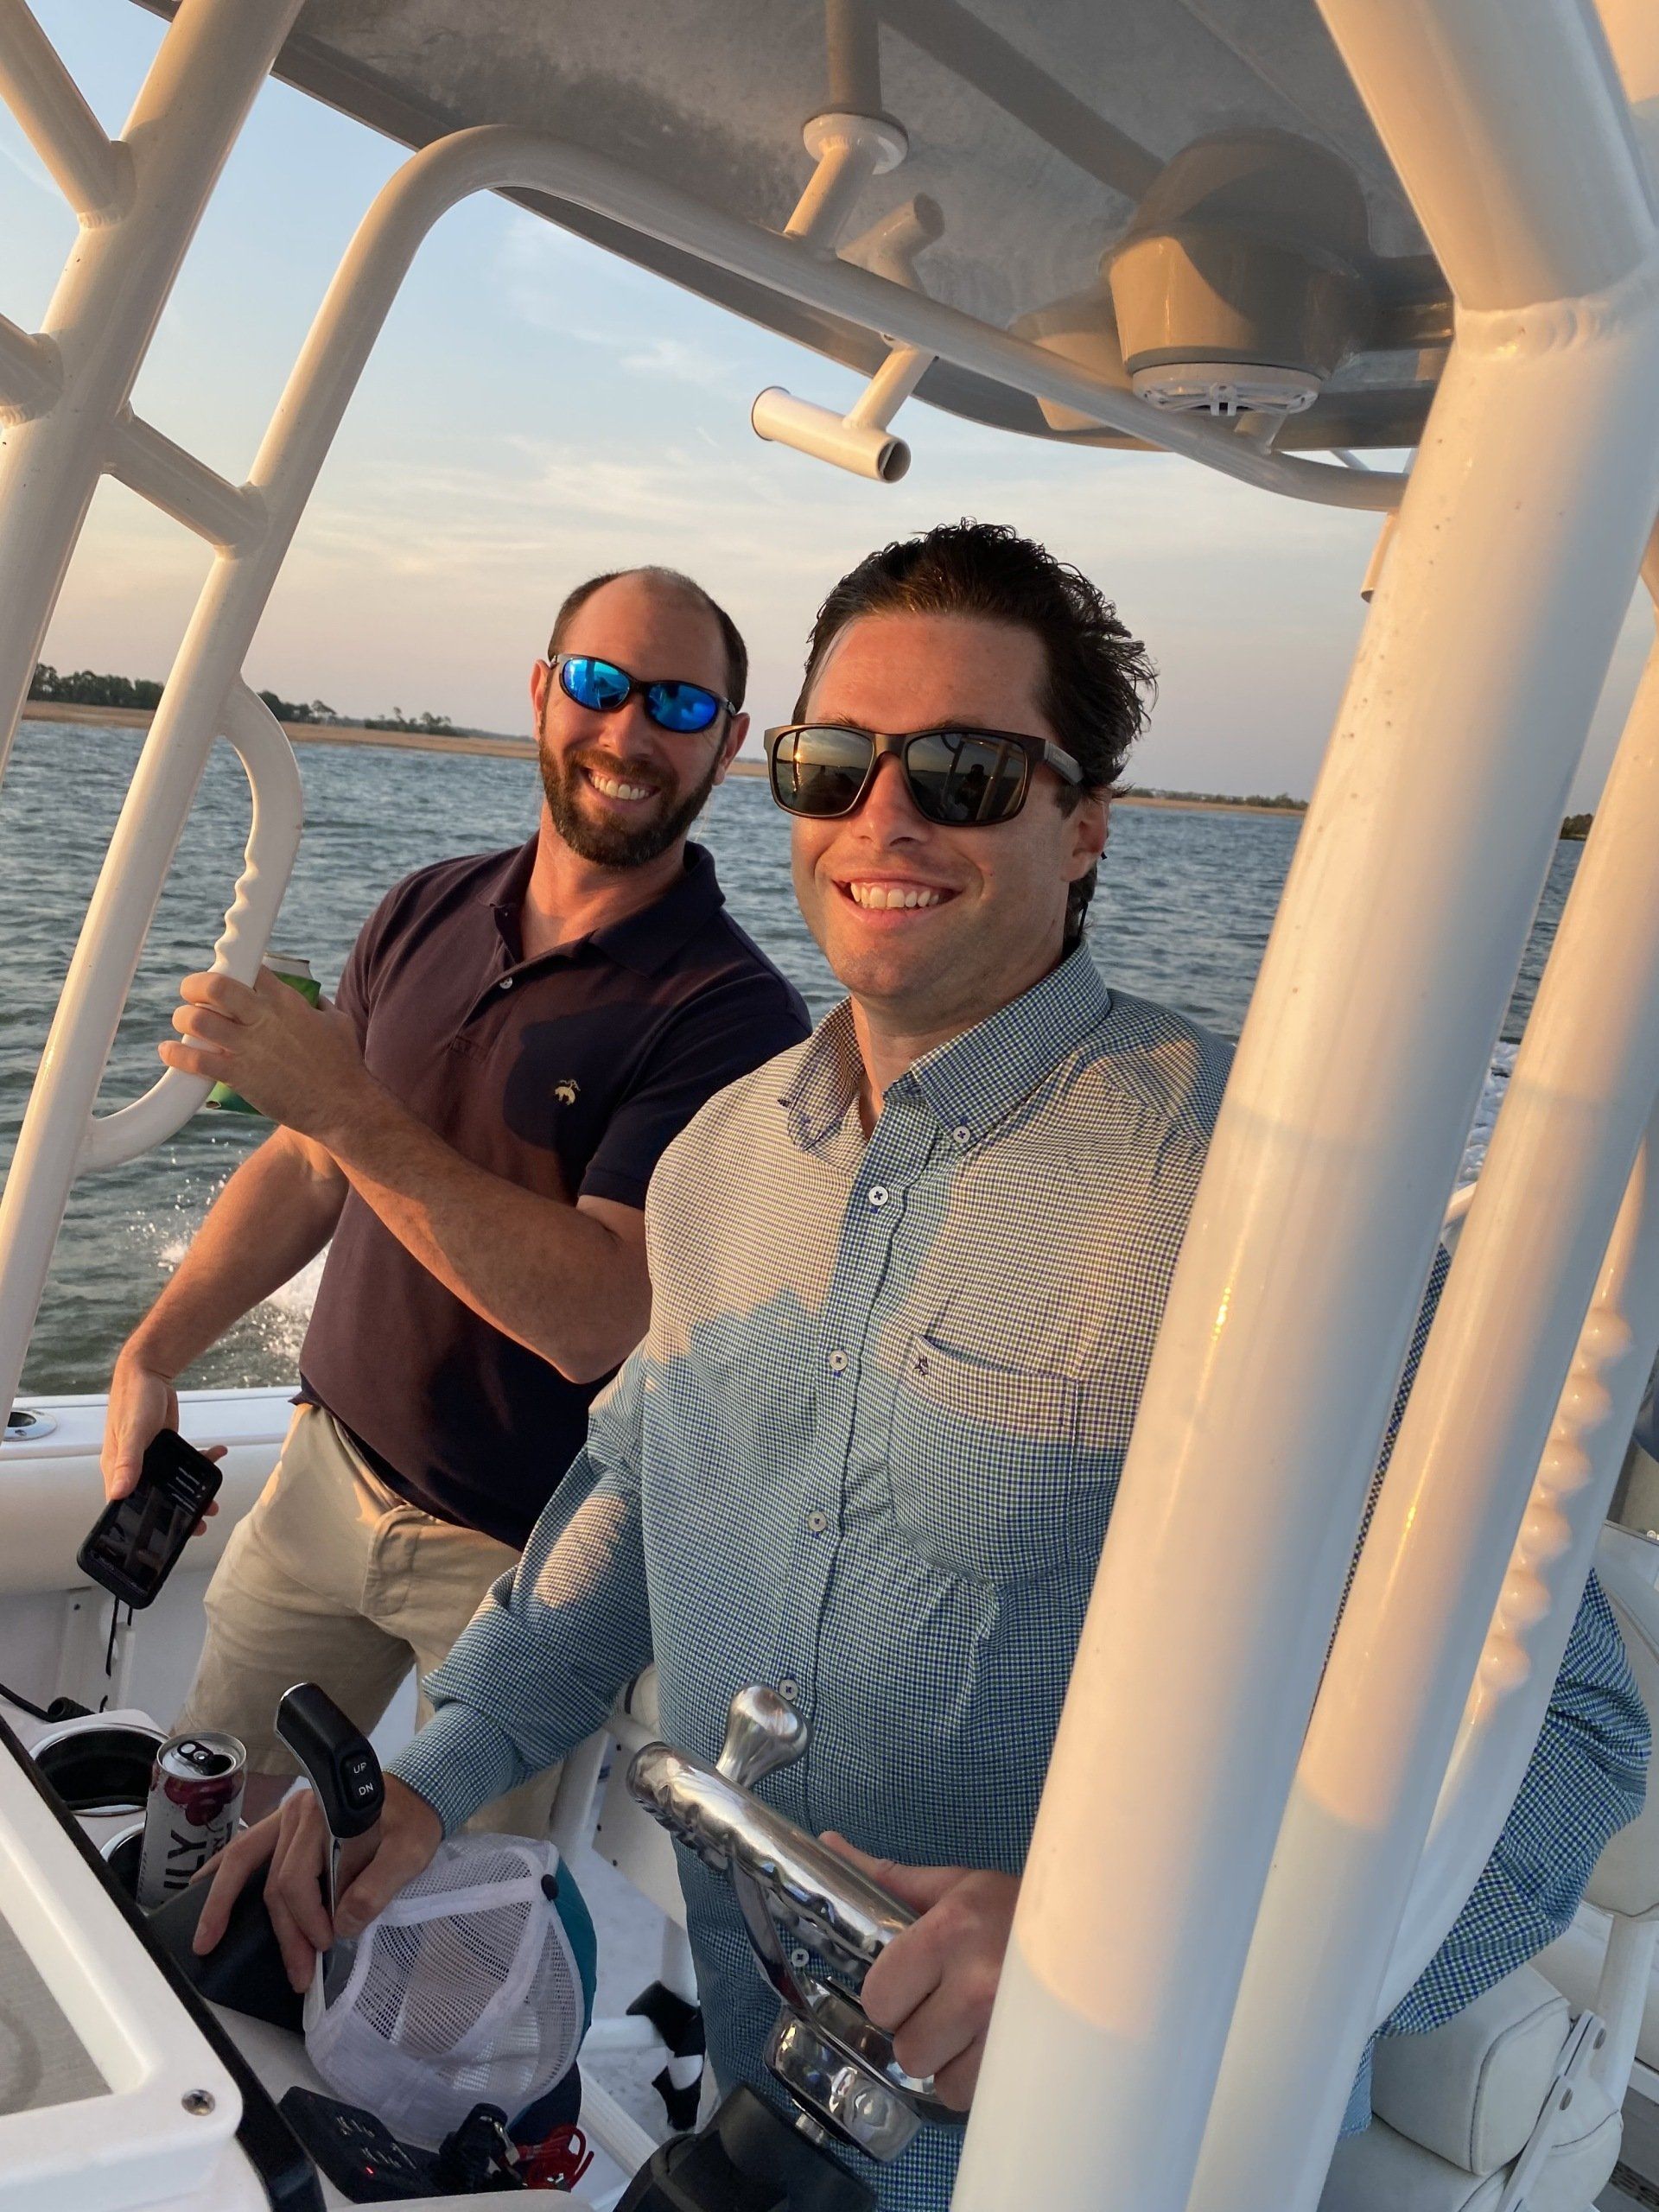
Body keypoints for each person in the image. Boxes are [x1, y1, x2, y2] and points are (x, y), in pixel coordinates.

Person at [200, 524, 1648, 2209]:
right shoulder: (722, 1159)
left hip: (1108, 2148)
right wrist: (434, 1783)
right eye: (833, 762)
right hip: (762, 2097)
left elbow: (1568, 1729)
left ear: (1085, 820)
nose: (883, 817)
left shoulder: (1264, 1202)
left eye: (964, 771)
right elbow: (625, 1511)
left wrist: (1115, 1953)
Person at [105, 565, 809, 1829]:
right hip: (320, 1484)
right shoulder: (426, 907)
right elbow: (313, 1169)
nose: (629, 733)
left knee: (454, 1943)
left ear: (732, 746)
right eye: (597, 684)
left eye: (680, 707)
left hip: (526, 1568)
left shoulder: (733, 1015)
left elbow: (598, 1315)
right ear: (542, 693)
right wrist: (153, 1352)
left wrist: (344, 1106)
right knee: (199, 1843)